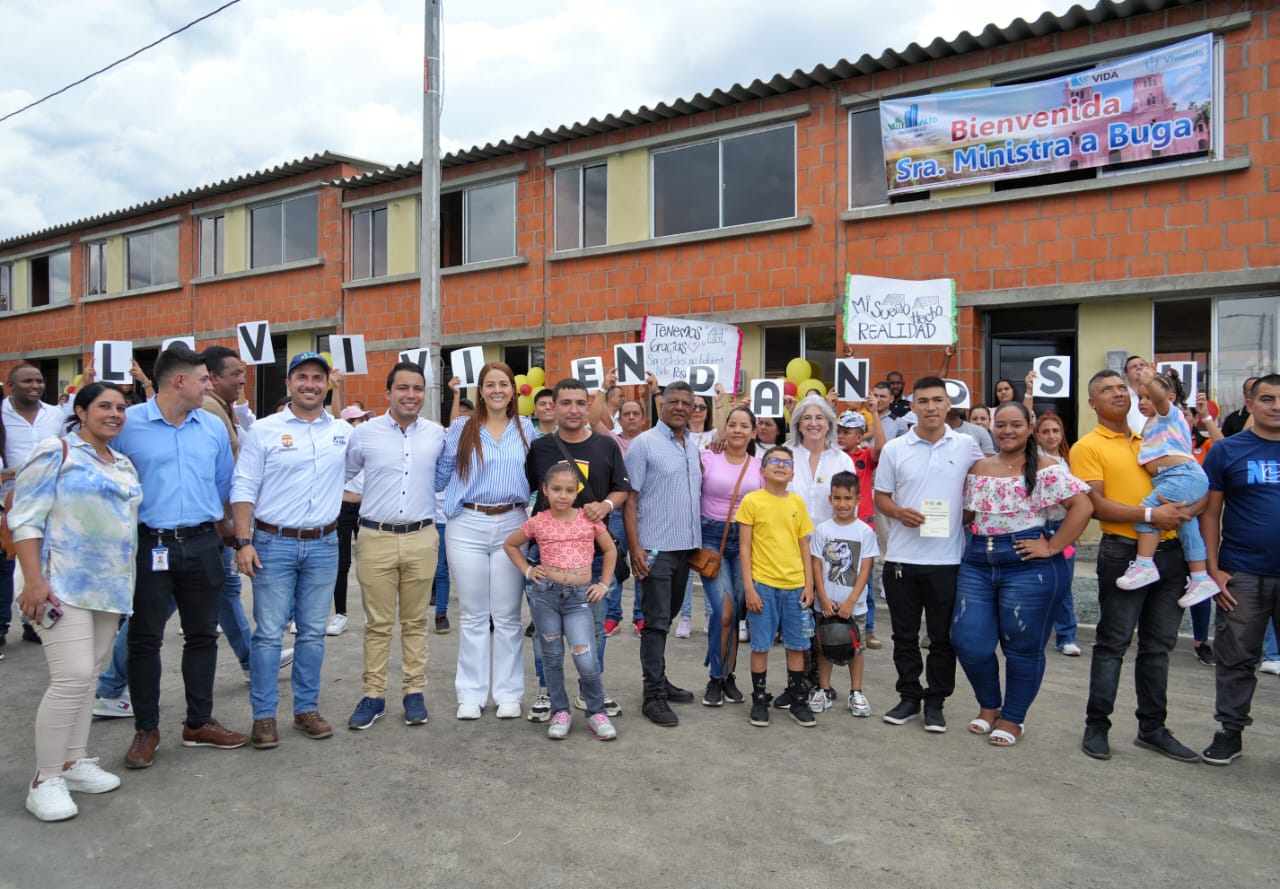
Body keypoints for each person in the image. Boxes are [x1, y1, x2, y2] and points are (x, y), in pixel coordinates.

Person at [11, 384, 141, 821]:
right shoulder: (57, 450)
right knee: (73, 678)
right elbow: (25, 517)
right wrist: (33, 581)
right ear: (80, 411)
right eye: (104, 406)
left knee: (91, 677)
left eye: (121, 407)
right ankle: (44, 779)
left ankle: (73, 761)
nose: (115, 413)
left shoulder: (121, 462)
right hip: (59, 583)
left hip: (109, 588)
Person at [111, 344, 245, 768]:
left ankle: (199, 722)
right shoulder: (127, 425)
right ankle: (146, 730)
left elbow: (225, 485)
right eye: (204, 378)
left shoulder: (210, 426)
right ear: (180, 380)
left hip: (205, 543)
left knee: (203, 635)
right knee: (145, 639)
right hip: (150, 545)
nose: (210, 385)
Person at [1071, 368, 1200, 763]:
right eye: (1106, 390)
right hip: (1123, 551)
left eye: (1121, 388)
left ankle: (1153, 728)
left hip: (1172, 553)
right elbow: (1097, 506)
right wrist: (1151, 514)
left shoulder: (1154, 435)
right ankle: (1097, 726)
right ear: (1092, 402)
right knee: (1112, 643)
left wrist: (1180, 512)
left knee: (1158, 646)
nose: (1117, 394)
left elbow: (1192, 483)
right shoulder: (1087, 446)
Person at [953, 402, 1093, 746]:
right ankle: (989, 705)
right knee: (968, 641)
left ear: (1029, 427)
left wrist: (1052, 546)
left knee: (1023, 648)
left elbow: (1084, 506)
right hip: (978, 561)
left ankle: (1013, 718)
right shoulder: (979, 467)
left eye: (1015, 424)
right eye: (1000, 425)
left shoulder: (1047, 468)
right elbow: (968, 517)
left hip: (1027, 564)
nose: (1007, 431)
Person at [233, 352, 352, 749]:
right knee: (268, 635)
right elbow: (244, 486)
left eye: (318, 378)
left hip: (324, 544)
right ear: (289, 383)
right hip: (272, 543)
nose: (310, 384)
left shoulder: (342, 431)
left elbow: (362, 473)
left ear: (327, 385)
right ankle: (264, 717)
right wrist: (243, 541)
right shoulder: (264, 430)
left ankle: (306, 709)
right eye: (302, 376)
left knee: (314, 633)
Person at [874, 376, 984, 733]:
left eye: (938, 400)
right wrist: (898, 513)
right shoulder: (895, 448)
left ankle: (935, 702)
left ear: (948, 405)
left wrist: (971, 511)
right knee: (904, 637)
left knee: (941, 638)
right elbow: (881, 497)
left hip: (947, 561)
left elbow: (989, 480)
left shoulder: (967, 445)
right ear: (913, 406)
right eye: (923, 401)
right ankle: (909, 696)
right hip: (902, 559)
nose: (931, 407)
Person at [343, 362, 444, 730]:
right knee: (378, 624)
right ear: (388, 393)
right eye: (403, 388)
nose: (411, 395)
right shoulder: (365, 434)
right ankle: (373, 695)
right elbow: (345, 472)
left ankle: (414, 692)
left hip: (421, 537)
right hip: (375, 538)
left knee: (416, 621)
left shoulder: (436, 435)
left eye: (418, 389)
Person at [435, 361, 535, 720]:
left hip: (512, 522)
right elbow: (441, 475)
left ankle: (508, 693)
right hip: (467, 524)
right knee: (475, 614)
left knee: (508, 616)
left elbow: (540, 478)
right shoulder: (461, 428)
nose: (497, 390)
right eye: (490, 384)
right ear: (480, 391)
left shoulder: (528, 430)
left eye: (503, 384)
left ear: (513, 390)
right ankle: (472, 694)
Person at [524, 378, 628, 718]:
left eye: (579, 403)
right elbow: (533, 492)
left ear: (589, 406)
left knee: (595, 627)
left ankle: (589, 689)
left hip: (593, 558)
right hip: (548, 556)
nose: (573, 410)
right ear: (553, 406)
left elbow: (621, 489)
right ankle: (546, 691)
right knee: (546, 630)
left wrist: (607, 507)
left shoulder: (606, 445)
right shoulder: (540, 448)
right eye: (565, 402)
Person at [1198, 374, 1280, 765]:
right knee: (1235, 657)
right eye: (1267, 399)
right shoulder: (1226, 451)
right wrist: (1213, 568)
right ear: (1250, 404)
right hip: (1242, 572)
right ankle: (1230, 731)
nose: (1276, 406)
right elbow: (1211, 513)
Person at [503, 464, 618, 740]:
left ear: (577, 490)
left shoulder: (588, 519)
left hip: (579, 599)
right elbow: (510, 544)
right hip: (546, 597)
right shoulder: (538, 521)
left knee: (585, 658)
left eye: (569, 490)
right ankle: (560, 711)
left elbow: (611, 549)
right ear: (544, 490)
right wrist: (528, 570)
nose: (563, 496)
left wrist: (603, 584)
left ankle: (595, 711)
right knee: (552, 657)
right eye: (556, 489)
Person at [624, 380, 702, 727]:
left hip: (685, 549)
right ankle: (652, 696)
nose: (681, 407)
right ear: (662, 404)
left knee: (665, 619)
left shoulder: (693, 445)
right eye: (675, 401)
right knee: (654, 624)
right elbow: (630, 500)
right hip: (655, 549)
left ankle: (661, 680)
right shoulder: (644, 445)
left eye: (688, 403)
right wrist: (635, 547)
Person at [1116, 367, 1219, 608]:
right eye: (1140, 397)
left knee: (1148, 511)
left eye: (1148, 396)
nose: (1143, 401)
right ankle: (1200, 578)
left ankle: (1144, 564)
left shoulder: (1170, 415)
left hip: (1181, 475)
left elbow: (1161, 399)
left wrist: (1150, 382)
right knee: (1188, 528)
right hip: (1174, 478)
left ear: (1169, 399)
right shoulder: (1152, 423)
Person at [737, 444, 816, 727]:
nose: (781, 466)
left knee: (797, 646)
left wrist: (809, 585)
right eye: (774, 461)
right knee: (760, 645)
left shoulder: (797, 504)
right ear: (762, 470)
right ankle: (759, 699)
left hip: (795, 587)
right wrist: (749, 587)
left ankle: (798, 699)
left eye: (787, 463)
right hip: (763, 586)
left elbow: (803, 544)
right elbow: (744, 548)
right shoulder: (752, 501)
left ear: (793, 474)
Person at [698, 405, 761, 707]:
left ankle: (728, 677)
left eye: (744, 426)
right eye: (732, 424)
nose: (737, 430)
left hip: (747, 542)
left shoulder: (760, 466)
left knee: (735, 612)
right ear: (724, 429)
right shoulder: (708, 457)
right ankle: (715, 676)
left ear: (753, 432)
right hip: (712, 539)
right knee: (723, 611)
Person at [2, 363, 66, 646]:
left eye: (39, 381)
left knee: (43, 561)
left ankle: (34, 622)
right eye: (27, 381)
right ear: (9, 386)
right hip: (8, 502)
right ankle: (2, 627)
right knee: (7, 565)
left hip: (49, 501)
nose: (35, 386)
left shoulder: (56, 414)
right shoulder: (0, 414)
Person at [809, 470, 879, 717]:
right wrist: (823, 598)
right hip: (825, 604)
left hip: (854, 606)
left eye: (848, 499)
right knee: (823, 647)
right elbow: (816, 564)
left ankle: (856, 692)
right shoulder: (822, 530)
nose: (842, 504)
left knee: (856, 650)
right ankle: (824, 690)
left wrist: (851, 600)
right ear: (830, 499)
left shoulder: (865, 532)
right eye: (837, 498)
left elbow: (865, 568)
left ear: (858, 499)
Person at [1034, 412, 1083, 657]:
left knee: (1063, 582)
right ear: (1036, 435)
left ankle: (1066, 636)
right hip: (1038, 528)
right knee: (1035, 584)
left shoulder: (1068, 460)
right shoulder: (1033, 461)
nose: (1051, 436)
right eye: (1045, 431)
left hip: (1064, 528)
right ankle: (1033, 634)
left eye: (1055, 431)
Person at [835, 410, 881, 649]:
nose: (840, 436)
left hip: (863, 527)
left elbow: (881, 448)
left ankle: (869, 629)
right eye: (839, 431)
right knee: (836, 575)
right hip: (838, 525)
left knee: (866, 581)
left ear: (860, 435)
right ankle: (835, 622)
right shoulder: (833, 456)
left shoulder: (866, 456)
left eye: (846, 432)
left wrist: (874, 412)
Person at [330, 403, 374, 637]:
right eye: (358, 419)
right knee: (342, 563)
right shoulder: (340, 452)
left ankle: (371, 613)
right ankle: (341, 614)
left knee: (370, 564)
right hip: (343, 510)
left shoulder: (368, 450)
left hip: (367, 510)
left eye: (365, 418)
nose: (363, 422)